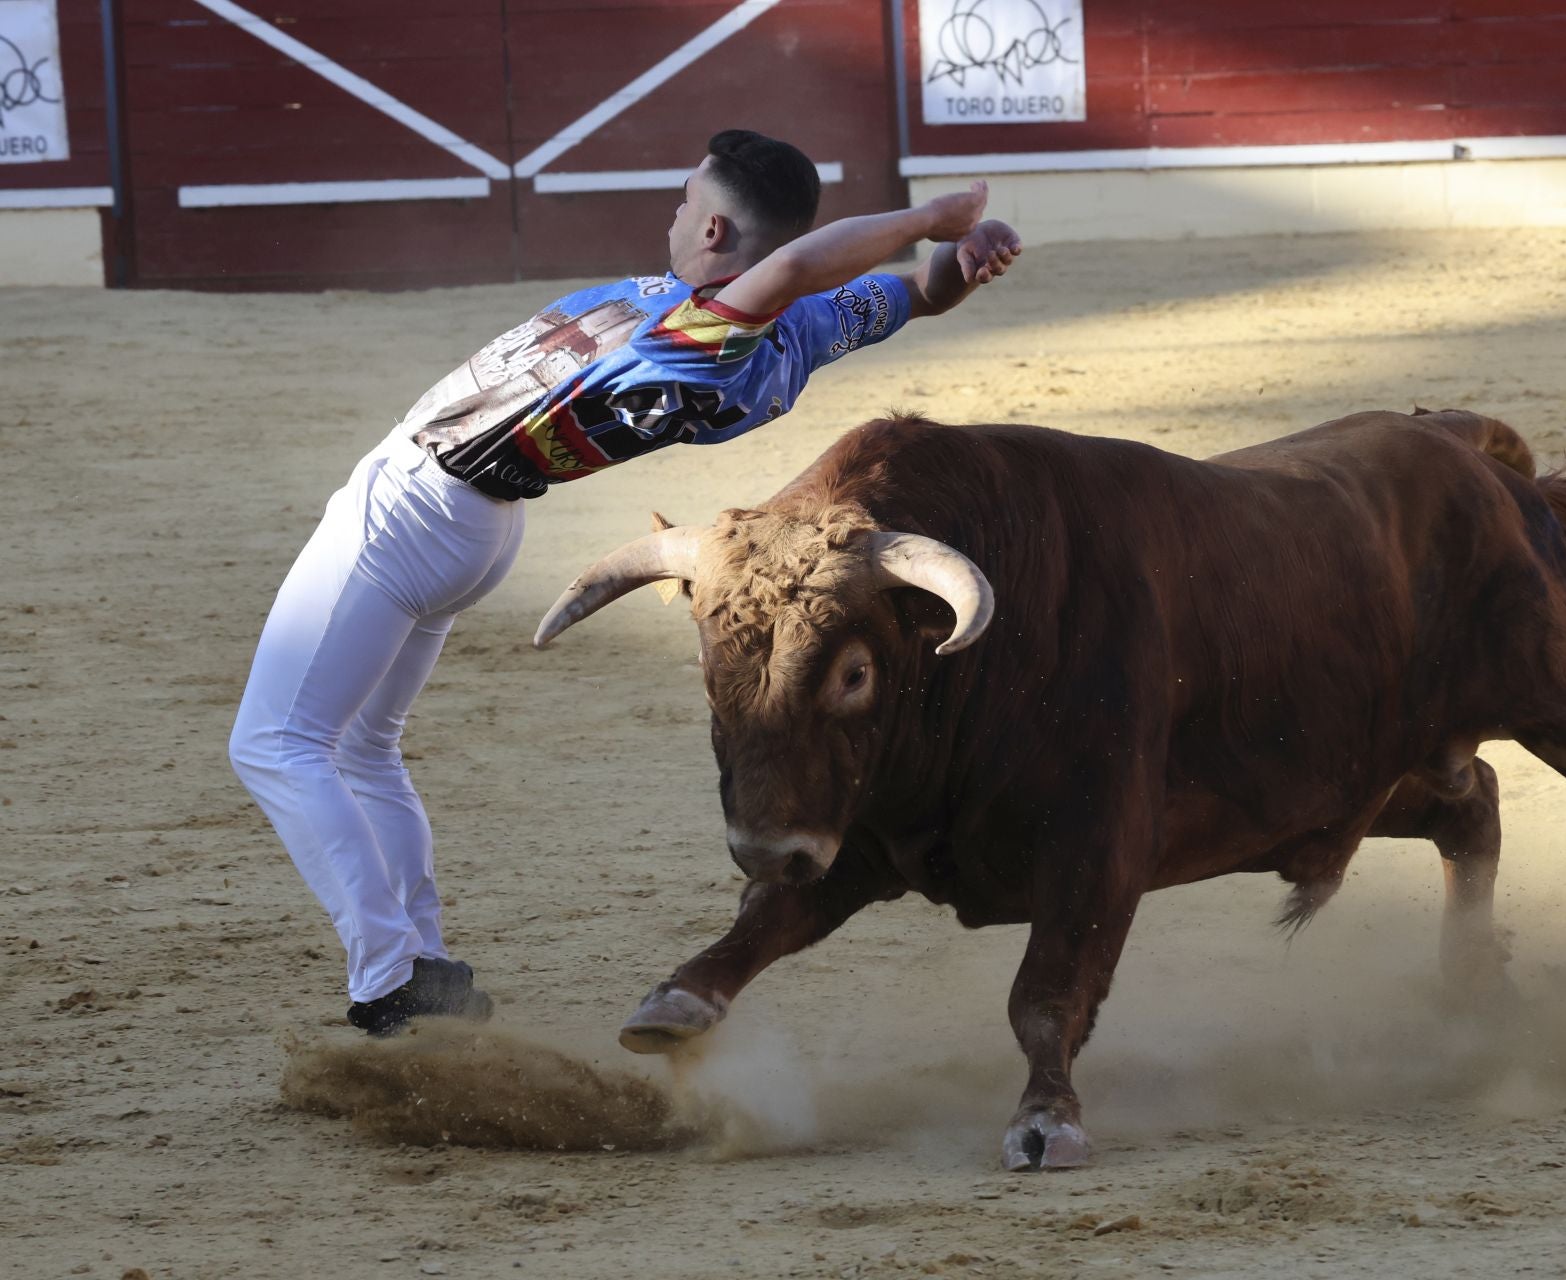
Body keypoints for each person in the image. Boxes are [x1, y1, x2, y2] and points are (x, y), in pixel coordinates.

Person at [228, 129, 1022, 1036]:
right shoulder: (791, 334)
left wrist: (931, 218)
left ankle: (386, 976)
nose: (673, 216)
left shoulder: (701, 341)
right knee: (364, 749)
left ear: (717, 230)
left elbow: (799, 263)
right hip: (477, 521)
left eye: (686, 202)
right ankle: (421, 962)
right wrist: (958, 260)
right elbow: (919, 293)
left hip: (418, 509)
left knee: (277, 744)